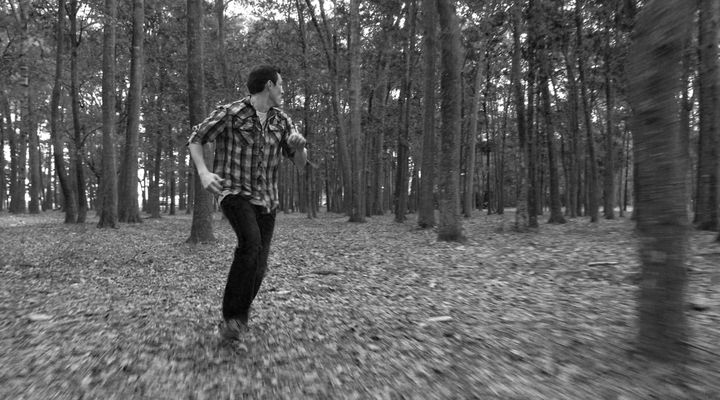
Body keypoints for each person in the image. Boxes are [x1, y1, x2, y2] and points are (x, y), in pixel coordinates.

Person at [188, 65, 307, 341]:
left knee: (259, 266)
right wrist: (204, 173)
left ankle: (237, 320)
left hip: (267, 200)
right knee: (250, 243)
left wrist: (300, 147)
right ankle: (232, 318)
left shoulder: (283, 121)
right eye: (281, 85)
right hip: (234, 192)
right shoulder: (231, 113)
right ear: (269, 85)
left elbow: (301, 164)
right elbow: (196, 138)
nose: (283, 90)